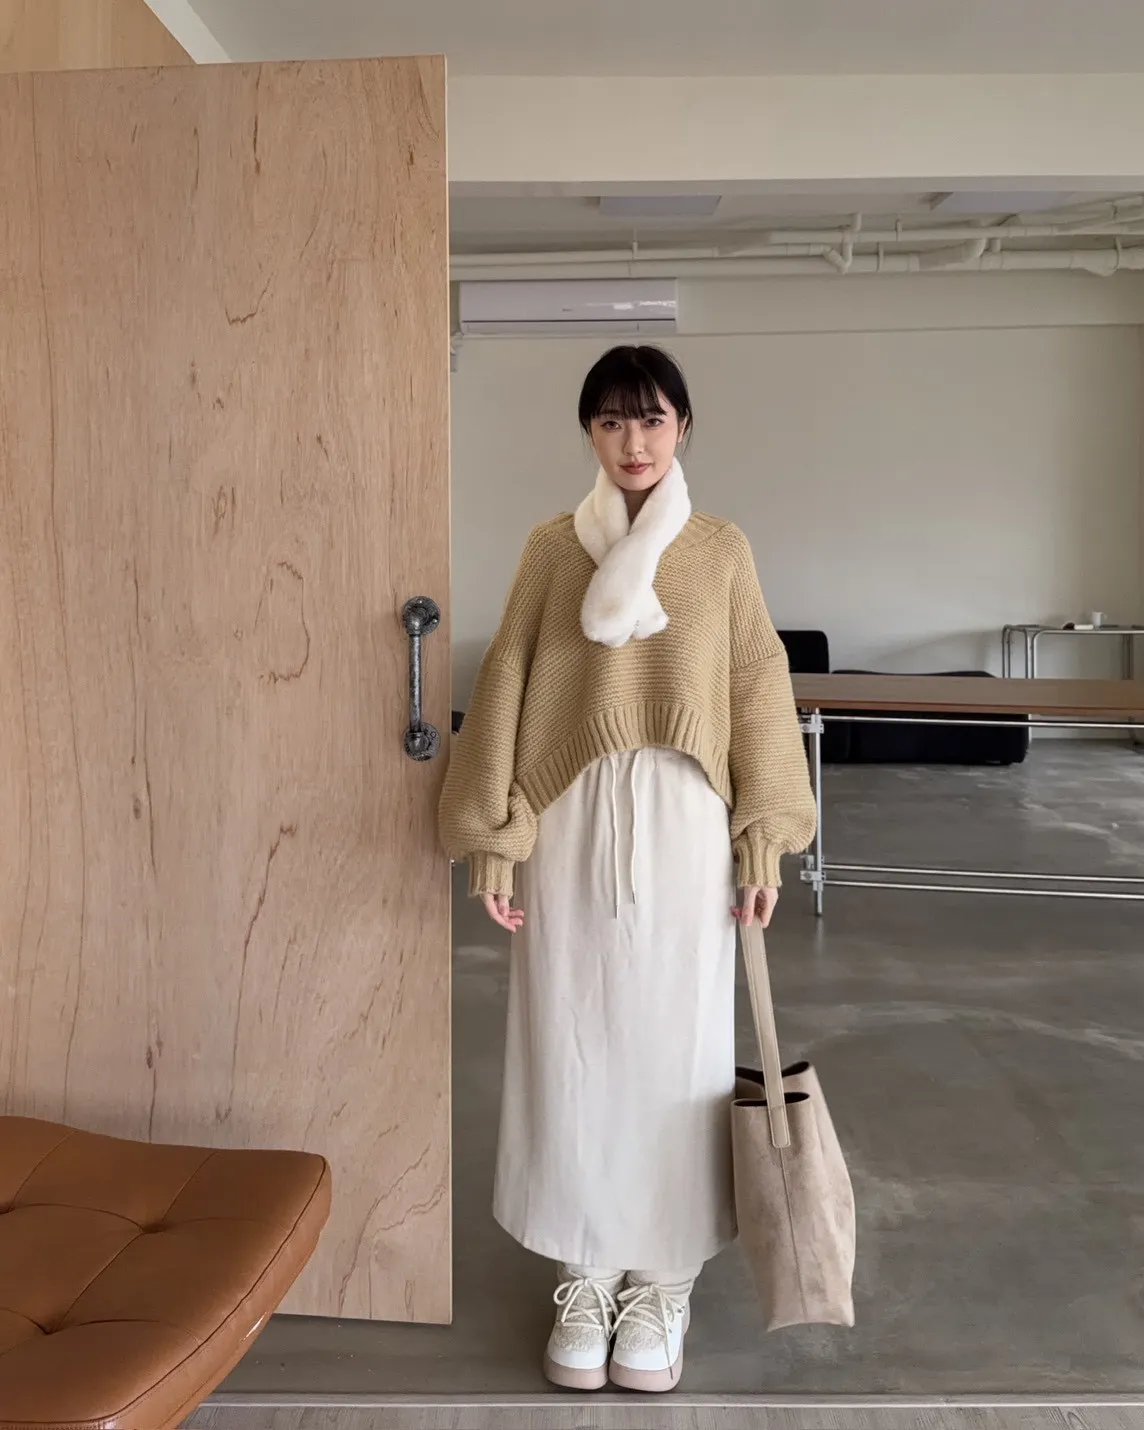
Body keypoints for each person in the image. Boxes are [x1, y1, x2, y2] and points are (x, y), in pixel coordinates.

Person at [439, 345, 815, 1394]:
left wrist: (762, 833)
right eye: (610, 421)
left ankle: (663, 1279)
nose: (632, 441)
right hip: (567, 816)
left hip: (687, 821)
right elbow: (508, 676)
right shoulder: (551, 547)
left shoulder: (718, 549)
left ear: (682, 426)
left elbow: (755, 682)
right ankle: (587, 1269)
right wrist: (496, 835)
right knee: (567, 1041)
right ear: (589, 434)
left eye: (650, 419)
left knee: (678, 1050)